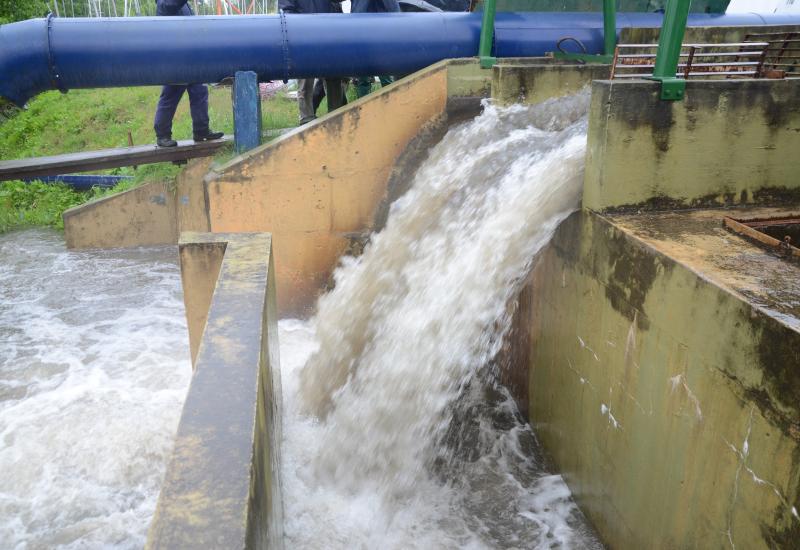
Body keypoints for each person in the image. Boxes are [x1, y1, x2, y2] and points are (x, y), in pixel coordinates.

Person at [153, 0, 224, 147]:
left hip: (190, 57)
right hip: (175, 60)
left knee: (200, 92)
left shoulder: (184, 6)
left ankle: (201, 131)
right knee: (170, 97)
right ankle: (162, 136)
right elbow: (171, 5)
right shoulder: (163, 3)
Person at [279, 0, 347, 124]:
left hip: (328, 32)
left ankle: (337, 118)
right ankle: (306, 120)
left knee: (334, 78)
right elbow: (286, 10)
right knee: (305, 80)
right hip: (303, 36)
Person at [350, 0, 400, 98]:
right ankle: (389, 103)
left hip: (363, 25)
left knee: (366, 76)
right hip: (375, 27)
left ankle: (364, 108)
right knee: (382, 74)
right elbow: (391, 7)